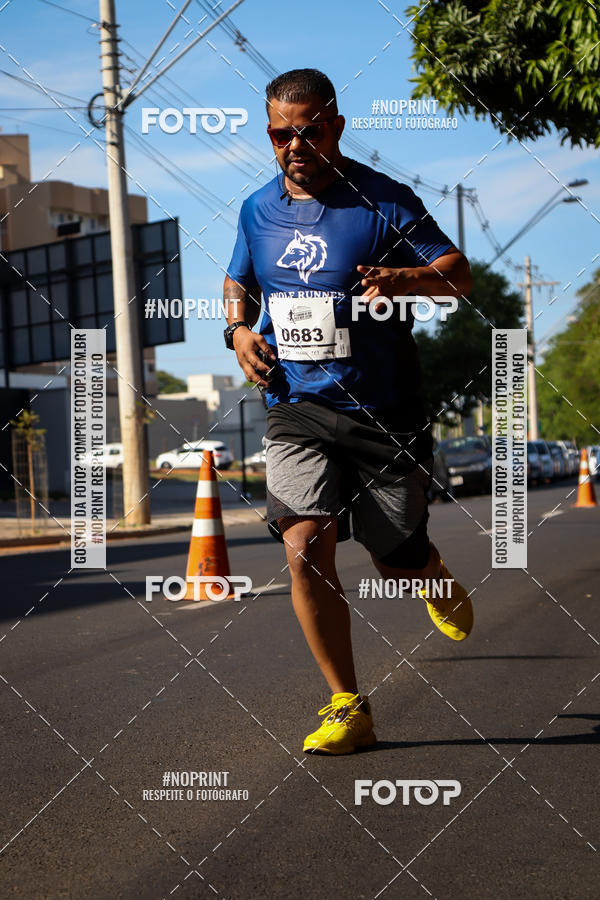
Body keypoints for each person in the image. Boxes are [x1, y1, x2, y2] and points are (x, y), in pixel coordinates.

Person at [223, 68, 474, 755]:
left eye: (308, 130)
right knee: (304, 547)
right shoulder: (256, 208)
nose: (294, 145)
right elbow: (235, 281)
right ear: (269, 133)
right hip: (296, 403)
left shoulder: (384, 199)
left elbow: (459, 274)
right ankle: (347, 705)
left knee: (394, 557)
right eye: (281, 133)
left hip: (384, 408)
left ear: (335, 125)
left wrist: (406, 277)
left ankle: (426, 567)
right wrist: (238, 332)